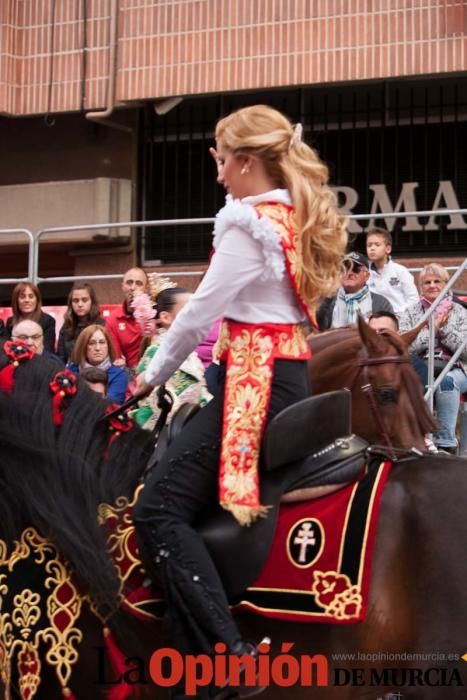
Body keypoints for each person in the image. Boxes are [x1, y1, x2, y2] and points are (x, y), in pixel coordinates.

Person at [132, 105, 347, 697]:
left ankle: (230, 657)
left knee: (156, 510)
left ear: (248, 161)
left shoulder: (245, 223)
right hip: (283, 374)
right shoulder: (287, 216)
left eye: (224, 161)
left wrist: (149, 377)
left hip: (253, 379)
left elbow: (198, 311)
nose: (220, 174)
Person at [399, 263, 467, 453]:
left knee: (447, 381)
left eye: (437, 281)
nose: (432, 285)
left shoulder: (460, 311)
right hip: (420, 366)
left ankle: (446, 444)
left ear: (446, 284)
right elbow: (406, 347)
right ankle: (413, 441)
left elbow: (466, 351)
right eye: (427, 282)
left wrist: (444, 330)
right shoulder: (410, 313)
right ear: (420, 286)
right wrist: (432, 330)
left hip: (457, 368)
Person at [132, 283, 211, 430]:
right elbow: (152, 405)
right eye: (188, 311)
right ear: (166, 317)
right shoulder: (154, 353)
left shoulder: (191, 356)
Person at [317, 251, 394, 330]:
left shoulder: (381, 304)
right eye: (345, 269)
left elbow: (386, 336)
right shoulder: (327, 303)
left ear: (367, 276)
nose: (349, 273)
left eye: (355, 269)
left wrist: (359, 332)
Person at [67, 324, 128, 403]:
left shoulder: (119, 375)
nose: (98, 348)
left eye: (102, 342)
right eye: (92, 343)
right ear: (83, 346)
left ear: (108, 346)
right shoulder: (70, 372)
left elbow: (112, 405)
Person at [366, 227, 419, 314]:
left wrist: (401, 315)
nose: (372, 248)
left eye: (377, 244)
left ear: (388, 249)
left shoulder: (400, 271)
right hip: (373, 321)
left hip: (400, 319)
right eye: (369, 245)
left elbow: (413, 299)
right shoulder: (364, 274)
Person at [106, 267, 149, 371]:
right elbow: (116, 358)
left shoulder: (155, 313)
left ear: (146, 289)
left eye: (139, 283)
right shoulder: (113, 319)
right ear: (122, 286)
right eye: (129, 283)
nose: (133, 288)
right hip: (129, 372)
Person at [57, 282, 105, 364]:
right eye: (75, 301)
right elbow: (61, 358)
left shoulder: (102, 326)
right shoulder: (66, 327)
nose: (80, 304)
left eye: (84, 300)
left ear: (92, 302)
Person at [6, 282, 56, 352]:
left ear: (37, 300)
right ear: (16, 301)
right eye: (22, 297)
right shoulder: (10, 322)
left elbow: (48, 350)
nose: (27, 300)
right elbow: (8, 348)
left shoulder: (48, 321)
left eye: (31, 296)